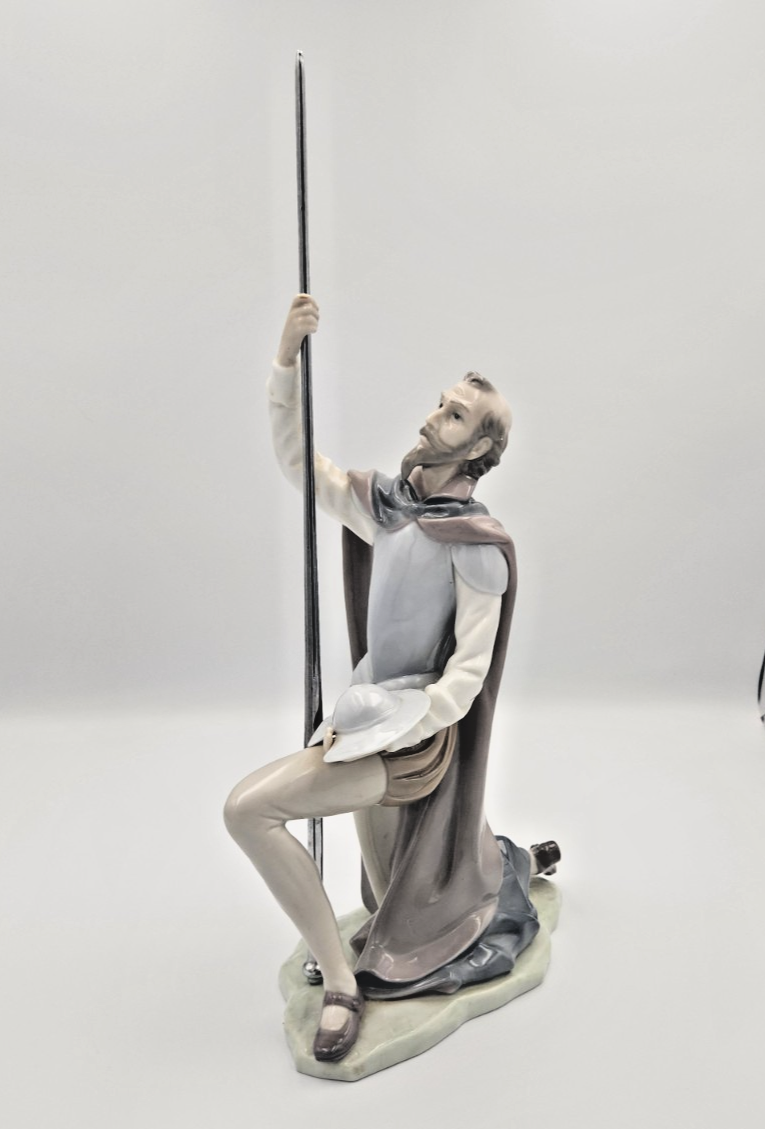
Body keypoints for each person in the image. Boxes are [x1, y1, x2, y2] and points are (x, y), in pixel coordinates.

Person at [224, 295, 553, 1064]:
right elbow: (300, 465)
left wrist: (398, 722)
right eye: (440, 403)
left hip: (406, 742)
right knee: (396, 883)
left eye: (454, 414)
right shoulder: (388, 507)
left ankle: (341, 986)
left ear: (479, 448)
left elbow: (465, 678)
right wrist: (285, 360)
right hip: (359, 721)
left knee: (249, 811)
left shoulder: (474, 546)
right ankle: (514, 862)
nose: (433, 417)